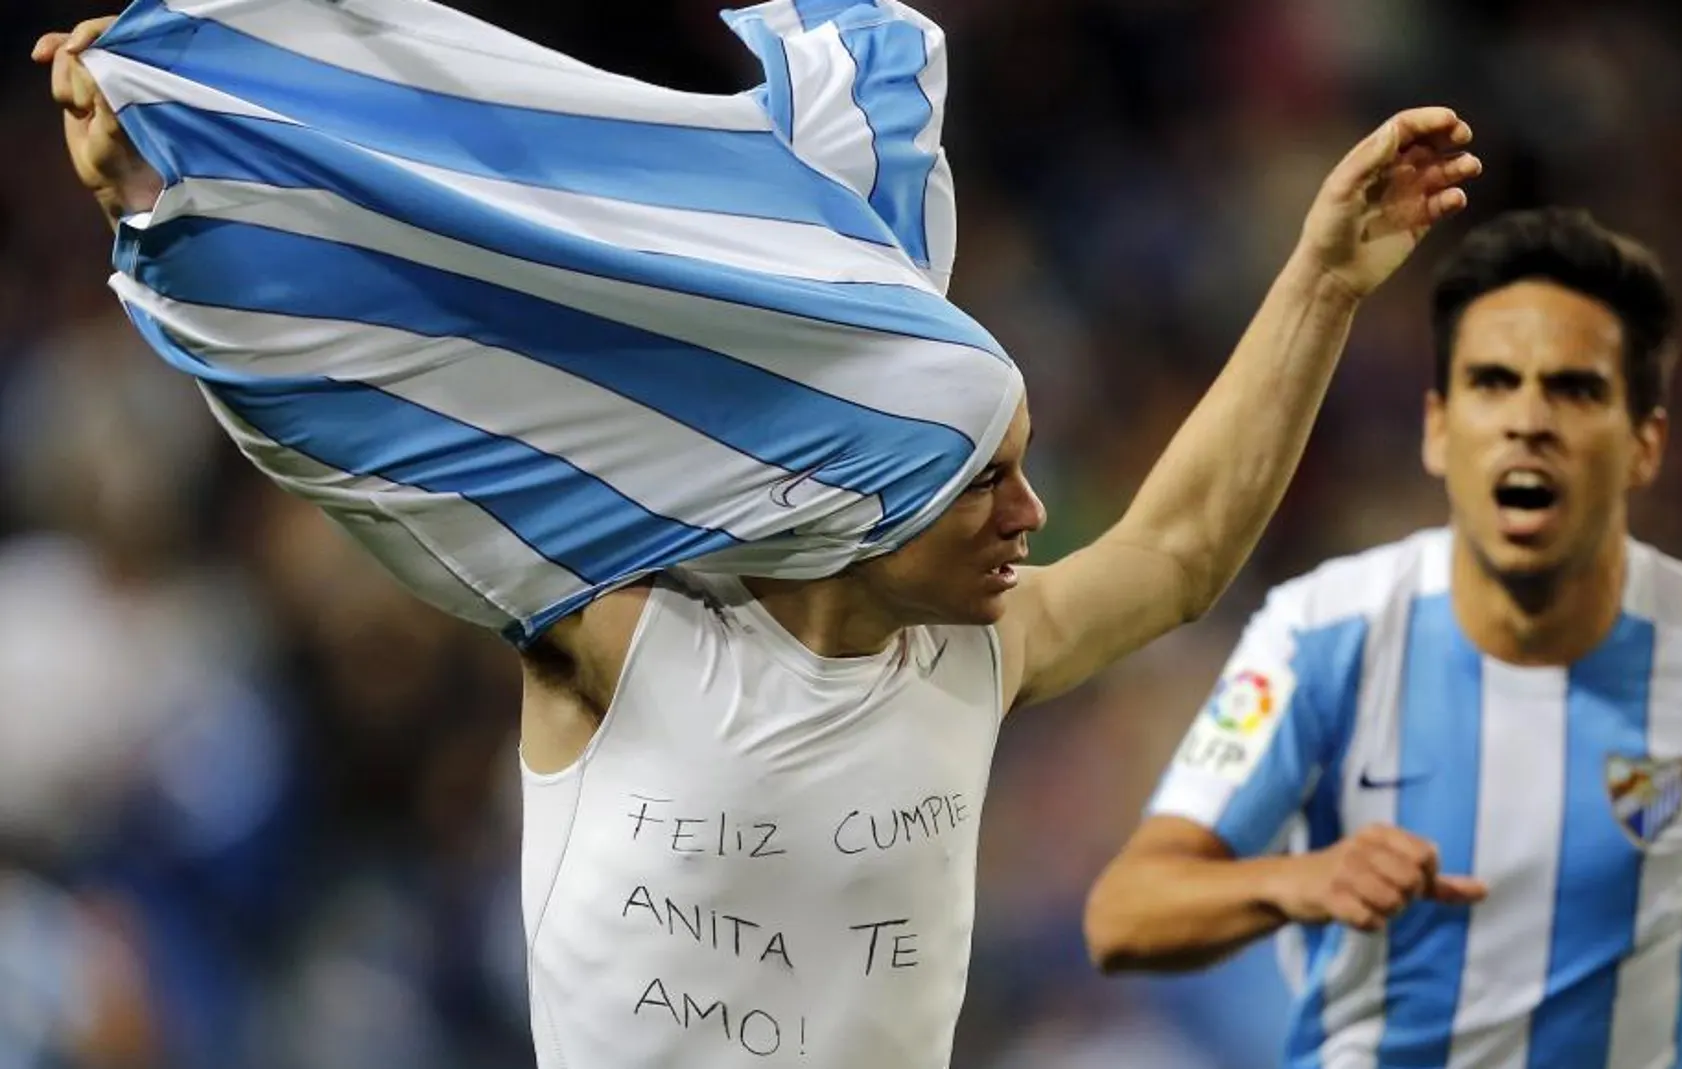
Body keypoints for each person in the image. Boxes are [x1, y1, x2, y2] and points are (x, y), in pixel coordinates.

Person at [35, 3, 1482, 1067]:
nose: (1031, 520)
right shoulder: (615, 643)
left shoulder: (974, 657)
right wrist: (165, 208)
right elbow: (359, 443)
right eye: (986, 481)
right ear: (850, 503)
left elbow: (1179, 552)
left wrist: (1324, 279)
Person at [1085, 208, 1682, 1066]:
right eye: (1492, 382)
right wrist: (1299, 878)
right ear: (1438, 427)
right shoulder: (1321, 636)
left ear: (1645, 444)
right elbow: (1124, 912)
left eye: (1575, 388)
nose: (1528, 420)